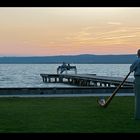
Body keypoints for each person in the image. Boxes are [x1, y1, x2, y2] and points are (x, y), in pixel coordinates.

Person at [130, 49, 140, 120]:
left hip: (138, 79)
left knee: (138, 98)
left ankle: (137, 116)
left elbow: (131, 69)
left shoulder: (137, 61)